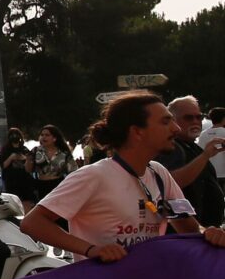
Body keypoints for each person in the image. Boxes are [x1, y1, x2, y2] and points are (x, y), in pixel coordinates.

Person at [21, 92, 225, 262]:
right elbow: (32, 223)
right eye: (165, 122)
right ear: (137, 132)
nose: (176, 128)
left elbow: (187, 227)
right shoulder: (94, 175)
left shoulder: (158, 173)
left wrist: (207, 233)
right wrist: (91, 250)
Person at [158, 96, 225, 227]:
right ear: (172, 120)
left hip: (204, 232)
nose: (195, 121)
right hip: (189, 235)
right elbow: (172, 183)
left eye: (199, 117)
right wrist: (205, 156)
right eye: (188, 118)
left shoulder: (190, 145)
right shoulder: (172, 147)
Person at [31, 125, 73, 197]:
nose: (43, 137)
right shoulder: (36, 151)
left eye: (47, 135)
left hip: (58, 185)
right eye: (42, 135)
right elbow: (28, 170)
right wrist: (29, 160)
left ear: (54, 138)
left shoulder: (64, 153)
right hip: (41, 185)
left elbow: (72, 171)